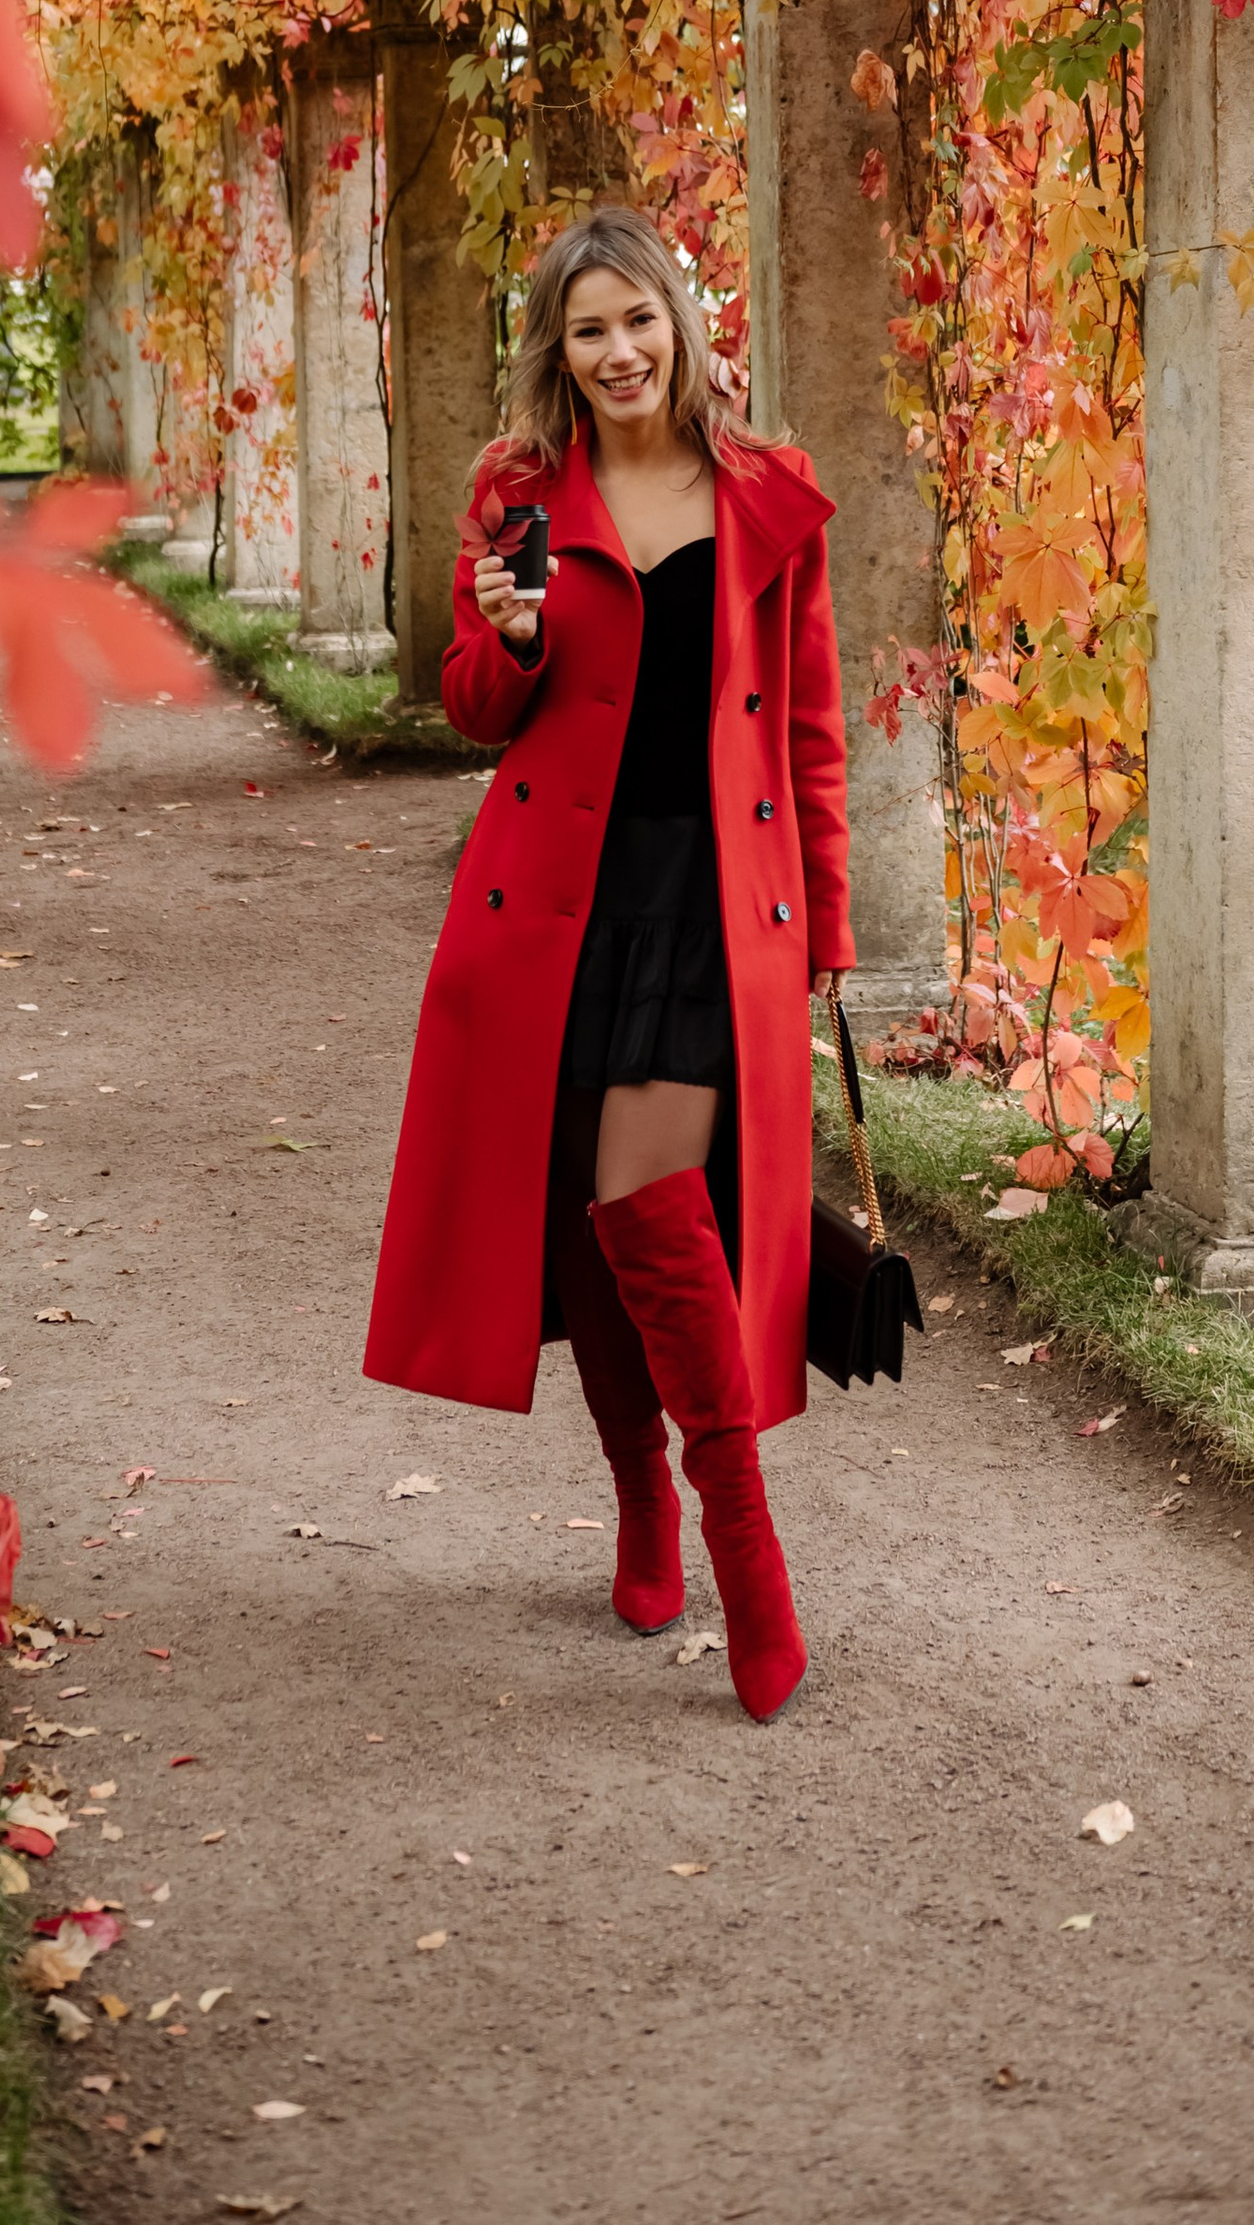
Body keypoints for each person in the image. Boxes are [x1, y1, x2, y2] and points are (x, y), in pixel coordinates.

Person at [363, 203, 855, 1723]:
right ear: (558, 354)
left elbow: (814, 731)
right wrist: (503, 640)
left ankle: (749, 1556)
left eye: (638, 319)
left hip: (713, 901)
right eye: (589, 331)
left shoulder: (769, 495)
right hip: (550, 910)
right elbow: (470, 709)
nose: (620, 351)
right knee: (583, 1228)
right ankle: (639, 1496)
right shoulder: (516, 496)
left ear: (680, 322)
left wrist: (829, 924)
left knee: (646, 1196)